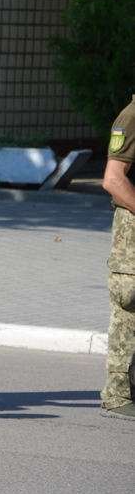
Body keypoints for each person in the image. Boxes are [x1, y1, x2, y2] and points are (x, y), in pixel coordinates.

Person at [100, 98, 135, 421]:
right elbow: (113, 179)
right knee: (129, 310)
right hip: (132, 240)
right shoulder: (132, 116)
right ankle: (119, 394)